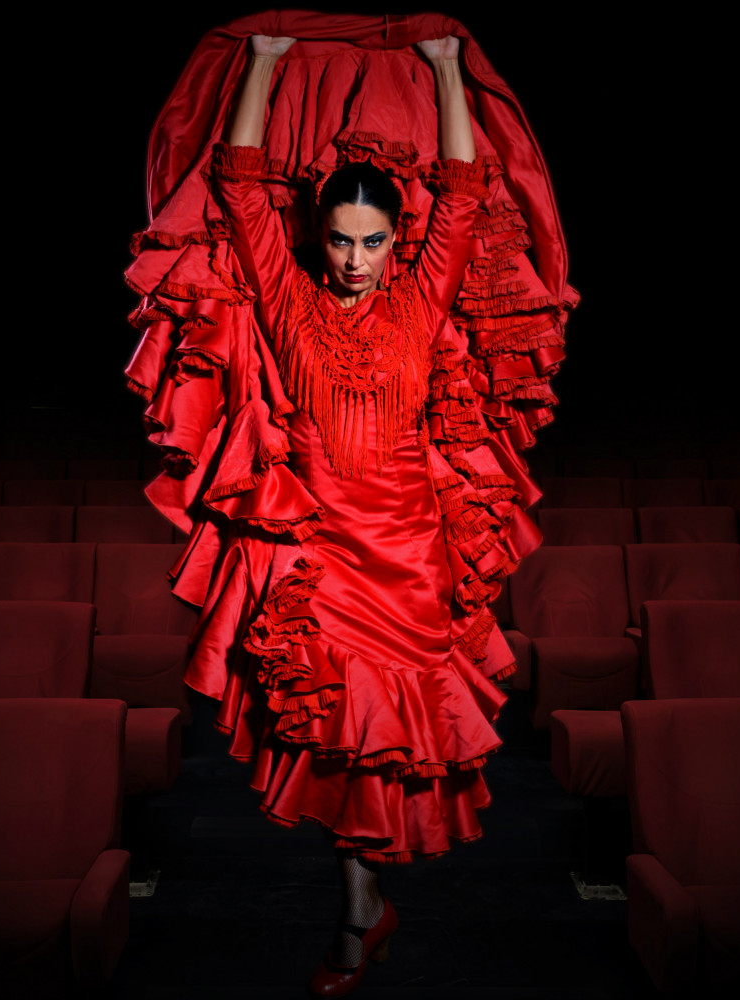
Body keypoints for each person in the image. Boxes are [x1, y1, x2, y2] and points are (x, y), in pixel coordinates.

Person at [125, 14, 574, 996]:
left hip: (411, 553)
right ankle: (360, 906)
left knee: (382, 740)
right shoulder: (286, 300)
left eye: (372, 241)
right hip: (322, 556)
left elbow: (458, 196)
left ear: (391, 241)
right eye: (340, 239)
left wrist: (451, 74)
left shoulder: (421, 296)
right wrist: (268, 67)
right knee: (333, 732)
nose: (356, 258)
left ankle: (361, 908)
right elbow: (242, 185)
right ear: (319, 237)